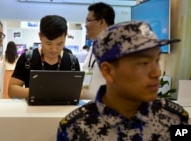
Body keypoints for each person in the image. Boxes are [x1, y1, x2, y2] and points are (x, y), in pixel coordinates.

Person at [57, 21, 189, 140]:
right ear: (108, 71)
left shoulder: (175, 120)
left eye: (156, 60)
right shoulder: (75, 129)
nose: (157, 72)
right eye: (143, 63)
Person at [8, 15, 81, 99]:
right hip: (33, 111)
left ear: (65, 36)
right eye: (49, 43)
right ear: (40, 36)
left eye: (59, 44)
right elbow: (11, 90)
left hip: (63, 110)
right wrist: (42, 92)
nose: (54, 49)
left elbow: (79, 91)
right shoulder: (27, 59)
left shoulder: (72, 61)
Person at [82, 2, 115, 100]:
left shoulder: (114, 47)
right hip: (89, 105)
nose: (85, 25)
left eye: (88, 21)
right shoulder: (94, 45)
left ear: (101, 22)